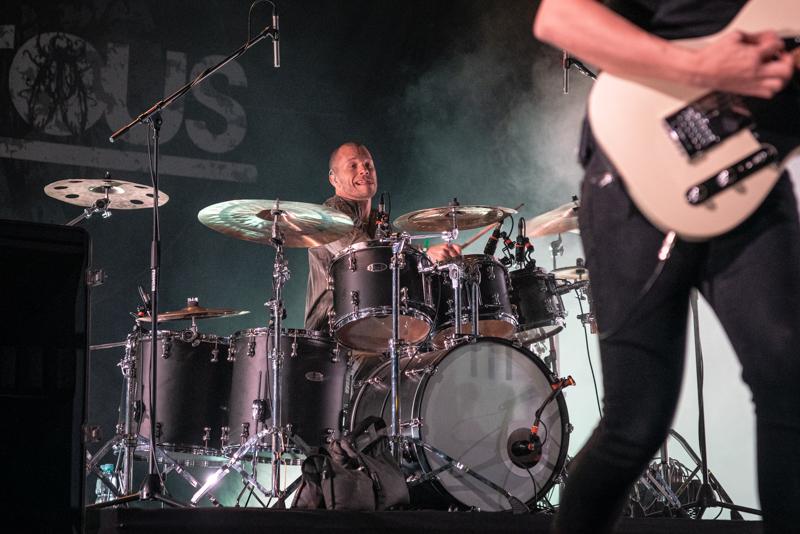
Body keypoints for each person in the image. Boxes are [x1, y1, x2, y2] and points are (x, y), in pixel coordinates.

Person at [533, 1, 799, 532]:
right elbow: (558, 17)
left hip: (756, 175)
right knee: (637, 424)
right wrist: (707, 70)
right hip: (642, 166)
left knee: (789, 379)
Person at [304, 142, 462, 333]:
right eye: (353, 165)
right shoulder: (329, 215)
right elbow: (367, 255)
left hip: (377, 320)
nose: (364, 170)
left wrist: (438, 264)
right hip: (333, 328)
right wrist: (427, 254)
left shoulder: (379, 220)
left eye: (368, 165)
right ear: (334, 179)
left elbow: (398, 265)